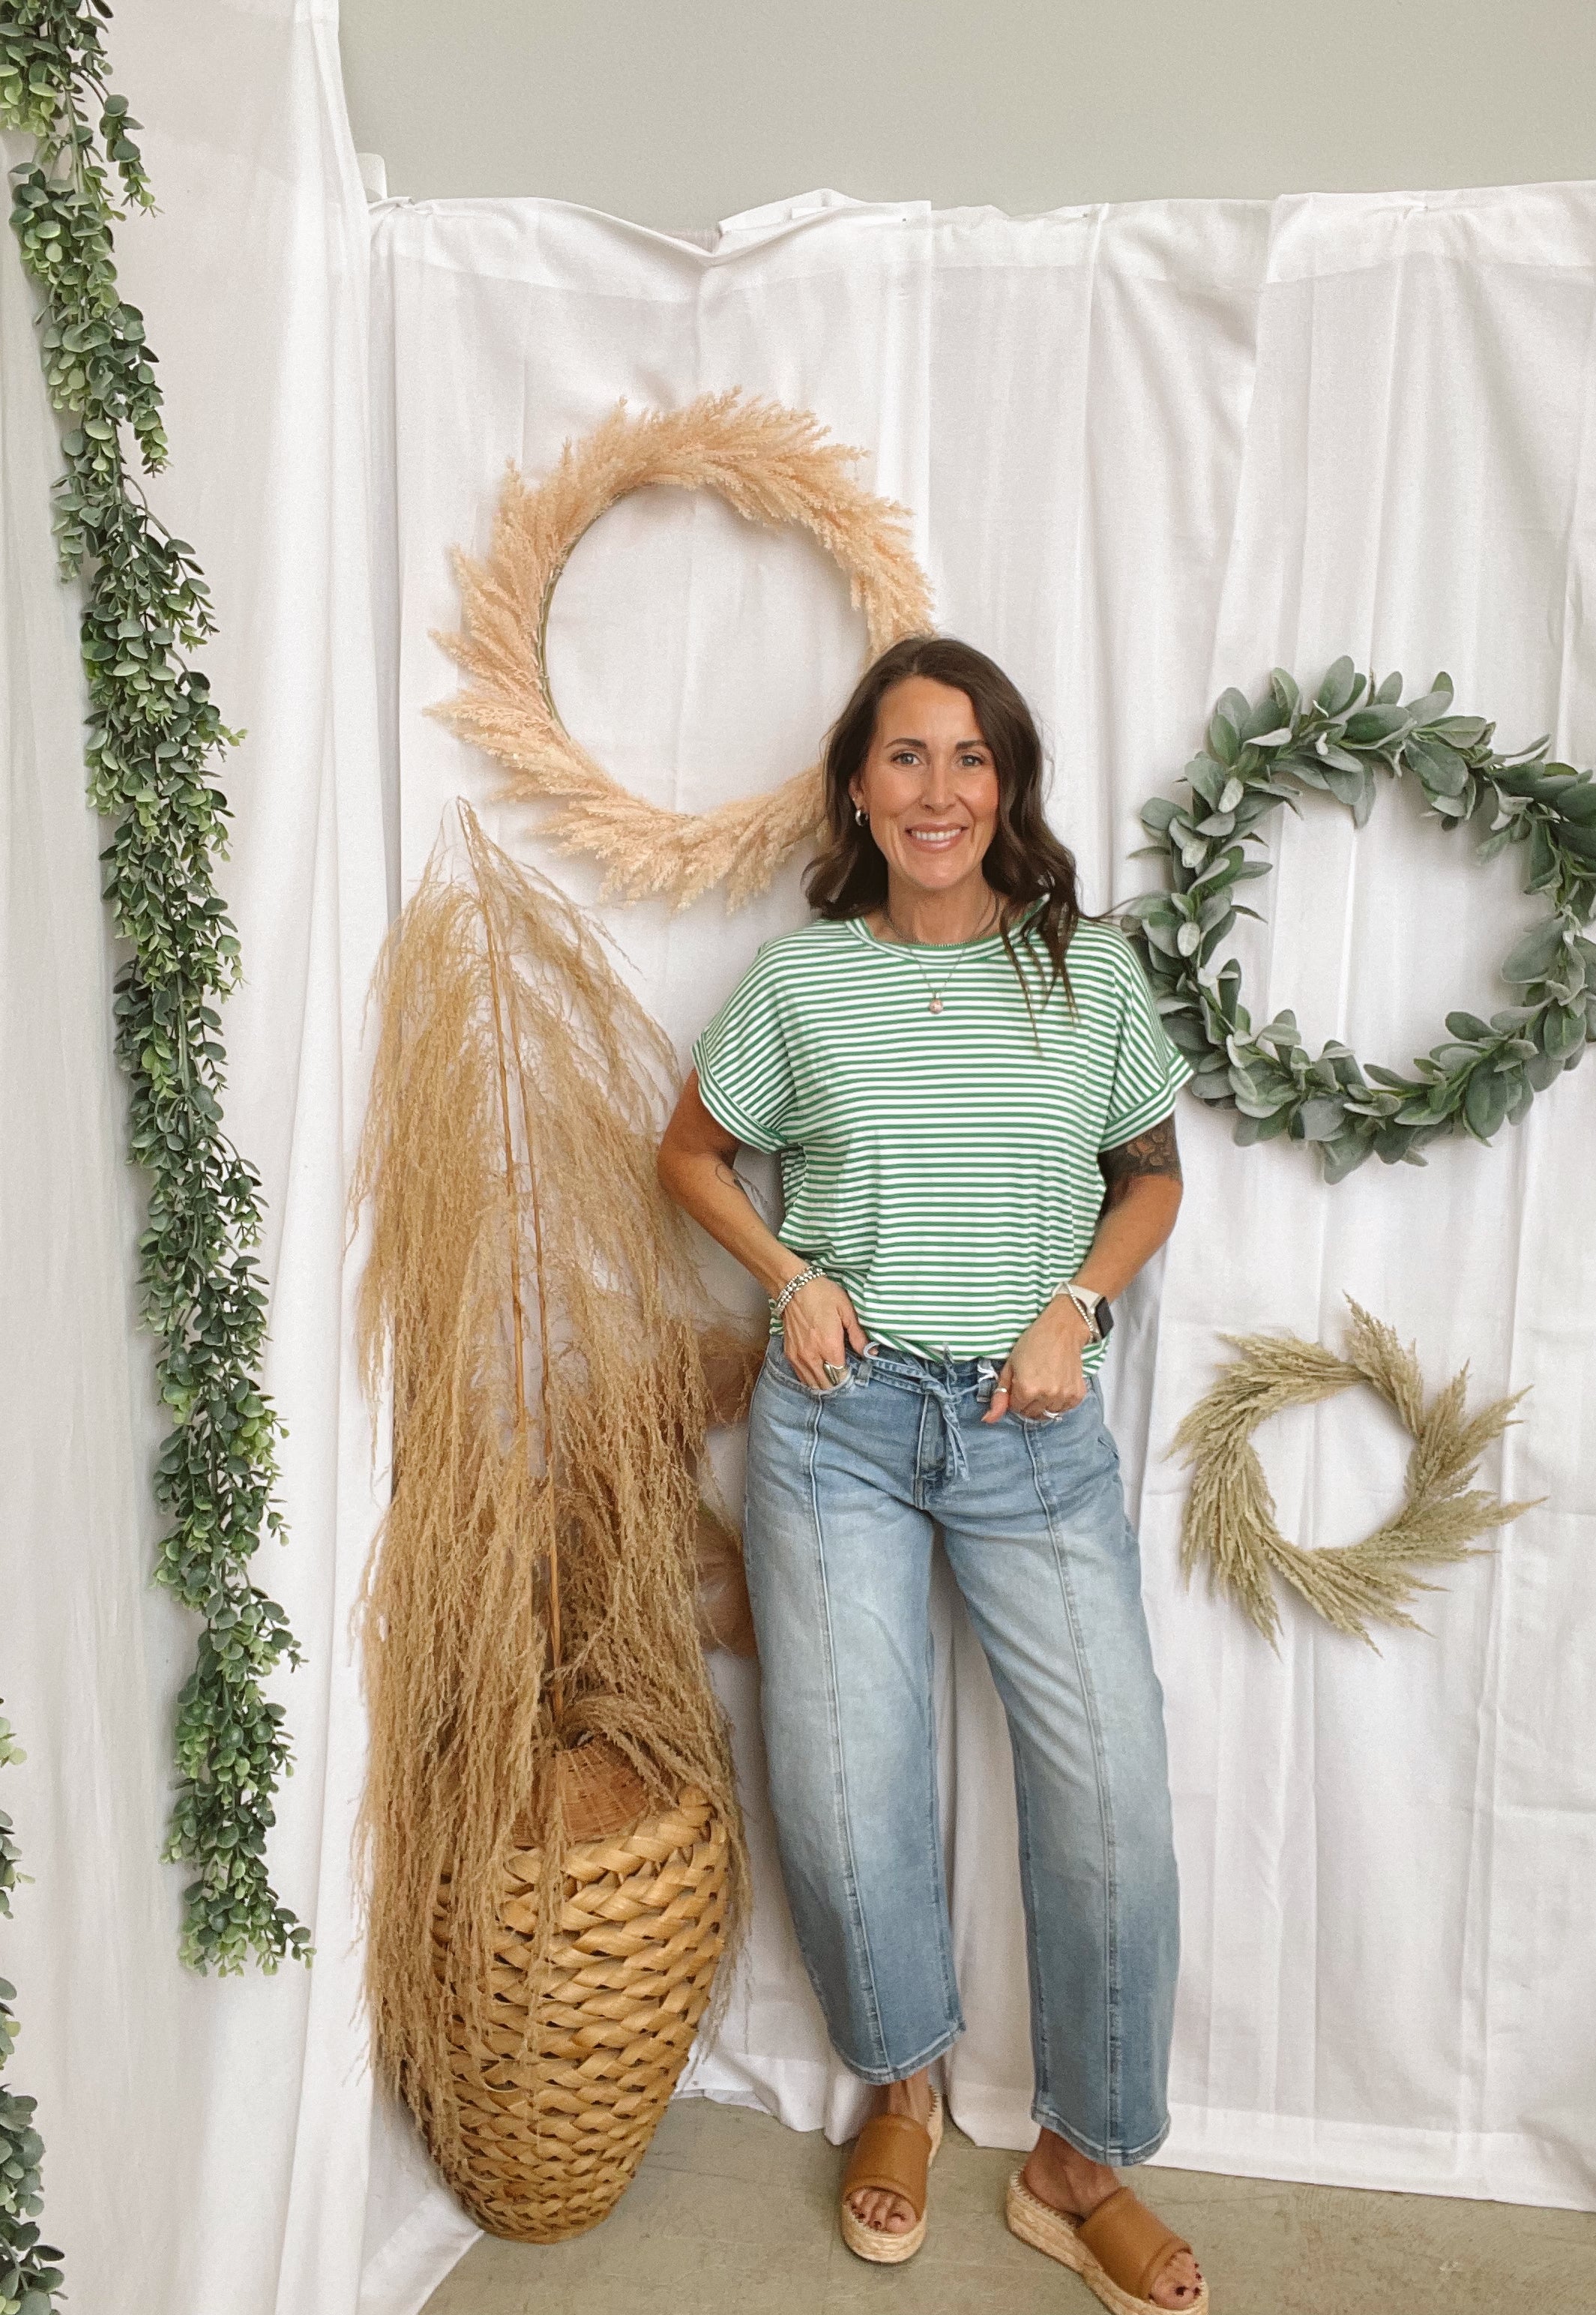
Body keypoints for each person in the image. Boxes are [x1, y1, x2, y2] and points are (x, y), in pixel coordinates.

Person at [657, 636, 1204, 2313]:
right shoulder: (801, 982)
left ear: (1009, 786)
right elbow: (689, 1149)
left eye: (969, 760)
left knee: (1112, 1798)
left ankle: (1078, 2158)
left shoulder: (1087, 975)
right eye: (906, 758)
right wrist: (789, 1274)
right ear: (857, 789)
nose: (939, 791)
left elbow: (1154, 1177)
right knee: (840, 1779)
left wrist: (1076, 1302)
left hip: (1033, 1428)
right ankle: (901, 2082)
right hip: (841, 1423)